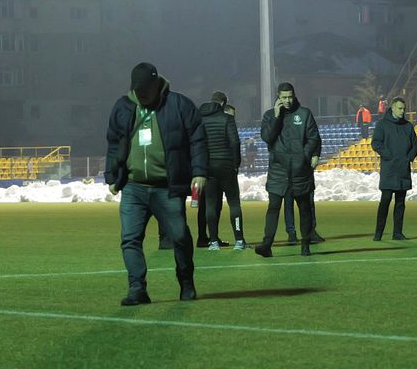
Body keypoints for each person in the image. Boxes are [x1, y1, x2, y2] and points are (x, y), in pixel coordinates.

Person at [105, 62, 208, 306]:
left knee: (180, 237)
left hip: (167, 187)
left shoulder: (179, 105)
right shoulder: (123, 106)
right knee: (130, 239)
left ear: (156, 84)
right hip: (133, 186)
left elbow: (198, 139)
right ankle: (137, 289)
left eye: (145, 90)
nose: (141, 95)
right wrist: (112, 176)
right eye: (137, 90)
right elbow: (113, 141)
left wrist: (199, 171)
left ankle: (186, 282)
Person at [254, 82, 321, 258]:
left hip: (301, 171)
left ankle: (305, 244)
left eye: (290, 97)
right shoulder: (269, 115)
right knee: (273, 208)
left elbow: (314, 138)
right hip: (278, 171)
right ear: (278, 97)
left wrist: (305, 157)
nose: (288, 101)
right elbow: (267, 138)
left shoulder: (304, 114)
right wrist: (276, 116)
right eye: (284, 97)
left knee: (304, 208)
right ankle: (266, 245)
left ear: (294, 95)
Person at [200, 91, 246, 250]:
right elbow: (235, 142)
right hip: (226, 165)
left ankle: (213, 241)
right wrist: (236, 163)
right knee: (234, 203)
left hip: (208, 167)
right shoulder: (227, 119)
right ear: (222, 103)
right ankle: (239, 241)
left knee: (210, 204)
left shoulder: (201, 120)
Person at [371, 97, 417, 241]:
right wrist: (388, 155)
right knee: (385, 201)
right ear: (392, 108)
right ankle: (378, 233)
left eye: (404, 108)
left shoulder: (408, 126)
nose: (402, 111)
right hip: (389, 169)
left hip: (403, 169)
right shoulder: (382, 124)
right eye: (400, 108)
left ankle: (397, 233)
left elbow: (415, 145)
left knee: (400, 203)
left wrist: (408, 158)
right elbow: (376, 143)